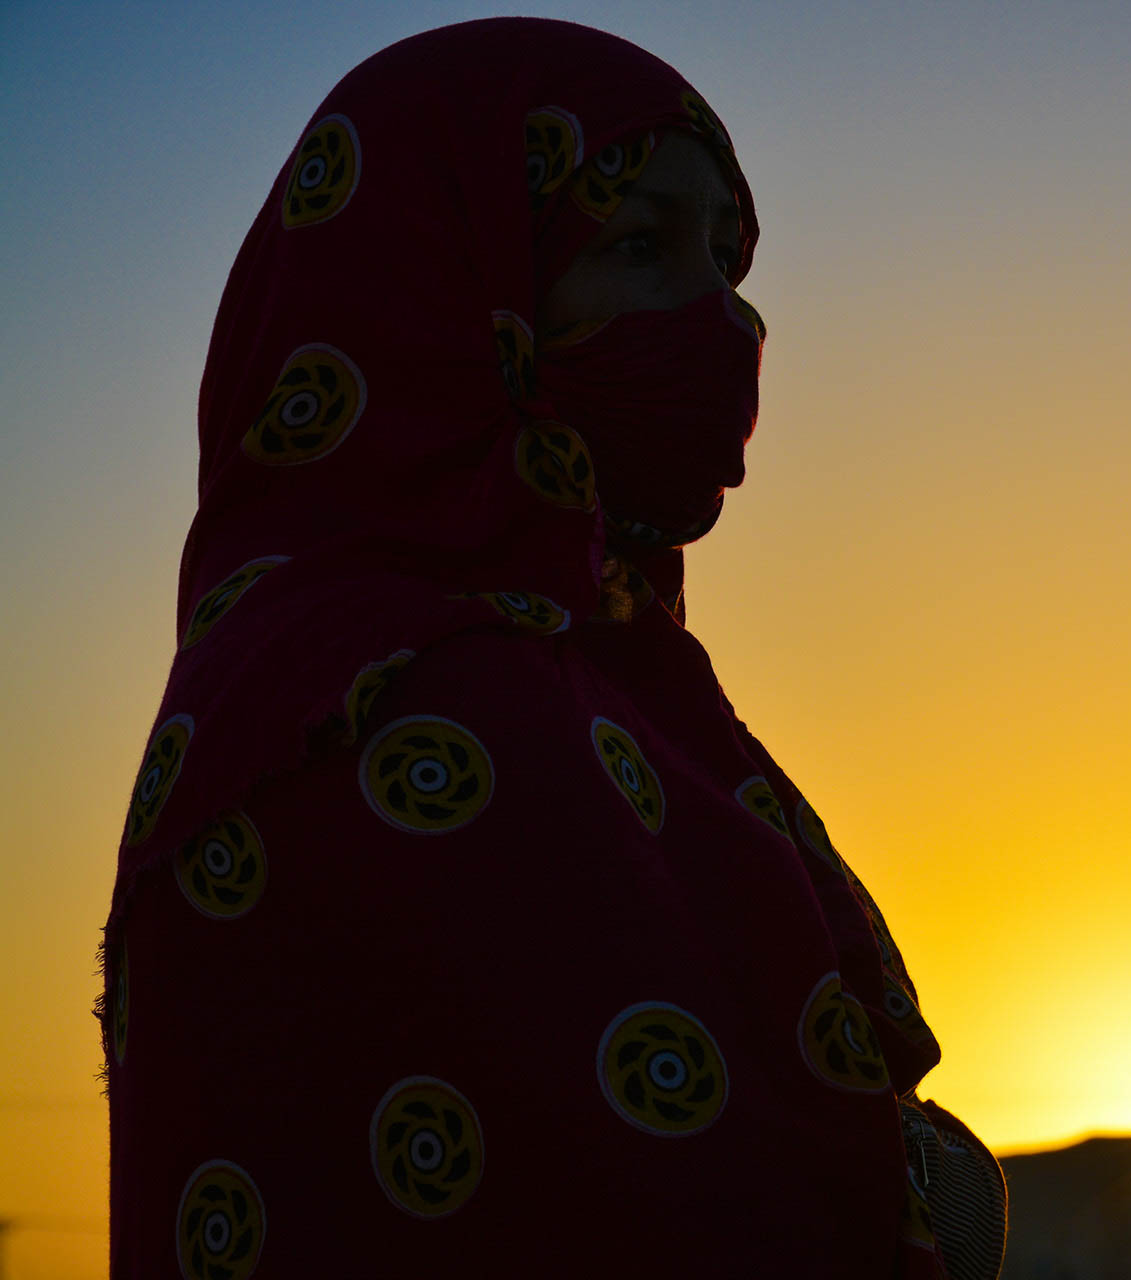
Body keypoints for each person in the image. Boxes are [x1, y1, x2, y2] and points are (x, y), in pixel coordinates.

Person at [97, 19, 1005, 1278]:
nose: (727, 325)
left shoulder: (557, 665)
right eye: (640, 244)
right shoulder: (401, 698)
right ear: (452, 291)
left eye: (729, 264)